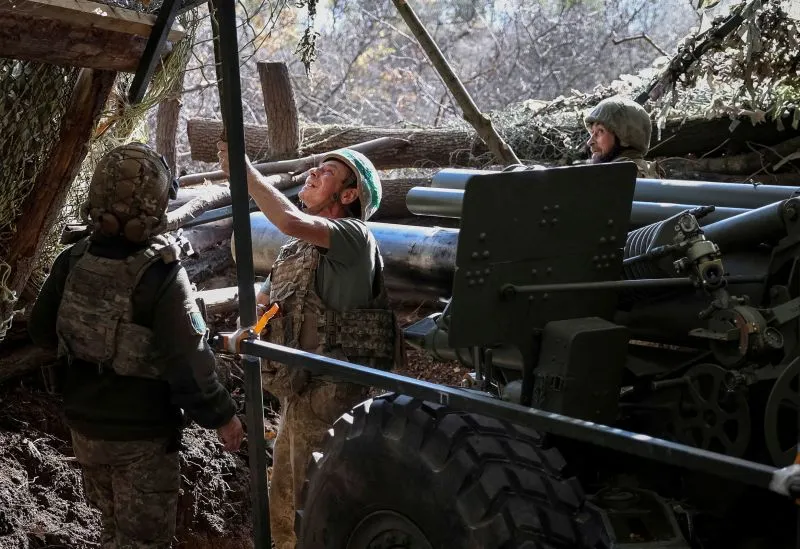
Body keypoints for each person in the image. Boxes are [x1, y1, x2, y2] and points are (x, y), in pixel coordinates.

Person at [28, 142, 243, 549]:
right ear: (156, 206)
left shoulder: (73, 259)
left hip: (85, 431)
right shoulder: (161, 275)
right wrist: (223, 417)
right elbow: (189, 361)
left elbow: (42, 332)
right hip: (141, 438)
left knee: (111, 533)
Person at [217, 142, 402, 549]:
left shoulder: (353, 237)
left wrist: (245, 172)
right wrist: (246, 327)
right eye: (316, 168)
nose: (314, 174)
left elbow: (286, 219)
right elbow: (267, 301)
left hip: (332, 392)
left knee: (306, 506)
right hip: (301, 388)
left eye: (328, 173)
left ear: (348, 196)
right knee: (283, 503)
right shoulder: (297, 250)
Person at [584, 96, 660, 178]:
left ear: (624, 138)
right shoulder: (648, 171)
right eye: (592, 132)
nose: (590, 142)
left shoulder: (617, 174)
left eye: (600, 131)